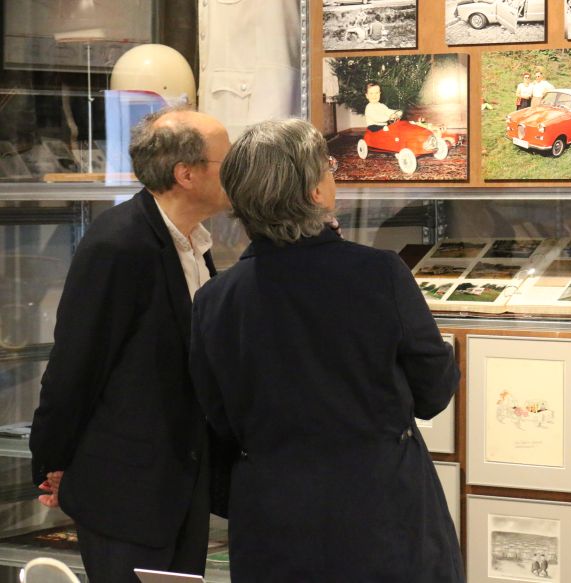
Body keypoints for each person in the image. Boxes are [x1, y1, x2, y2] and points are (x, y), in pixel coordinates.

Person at [189, 118, 463, 582]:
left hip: (272, 519)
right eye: (328, 167)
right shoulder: (379, 274)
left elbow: (217, 415)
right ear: (315, 192)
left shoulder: (215, 299)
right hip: (380, 514)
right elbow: (434, 389)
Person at [29, 107, 231, 583]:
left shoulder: (193, 241)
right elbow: (76, 365)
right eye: (228, 160)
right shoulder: (119, 244)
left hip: (180, 484)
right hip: (128, 492)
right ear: (186, 174)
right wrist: (52, 461)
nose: (237, 170)